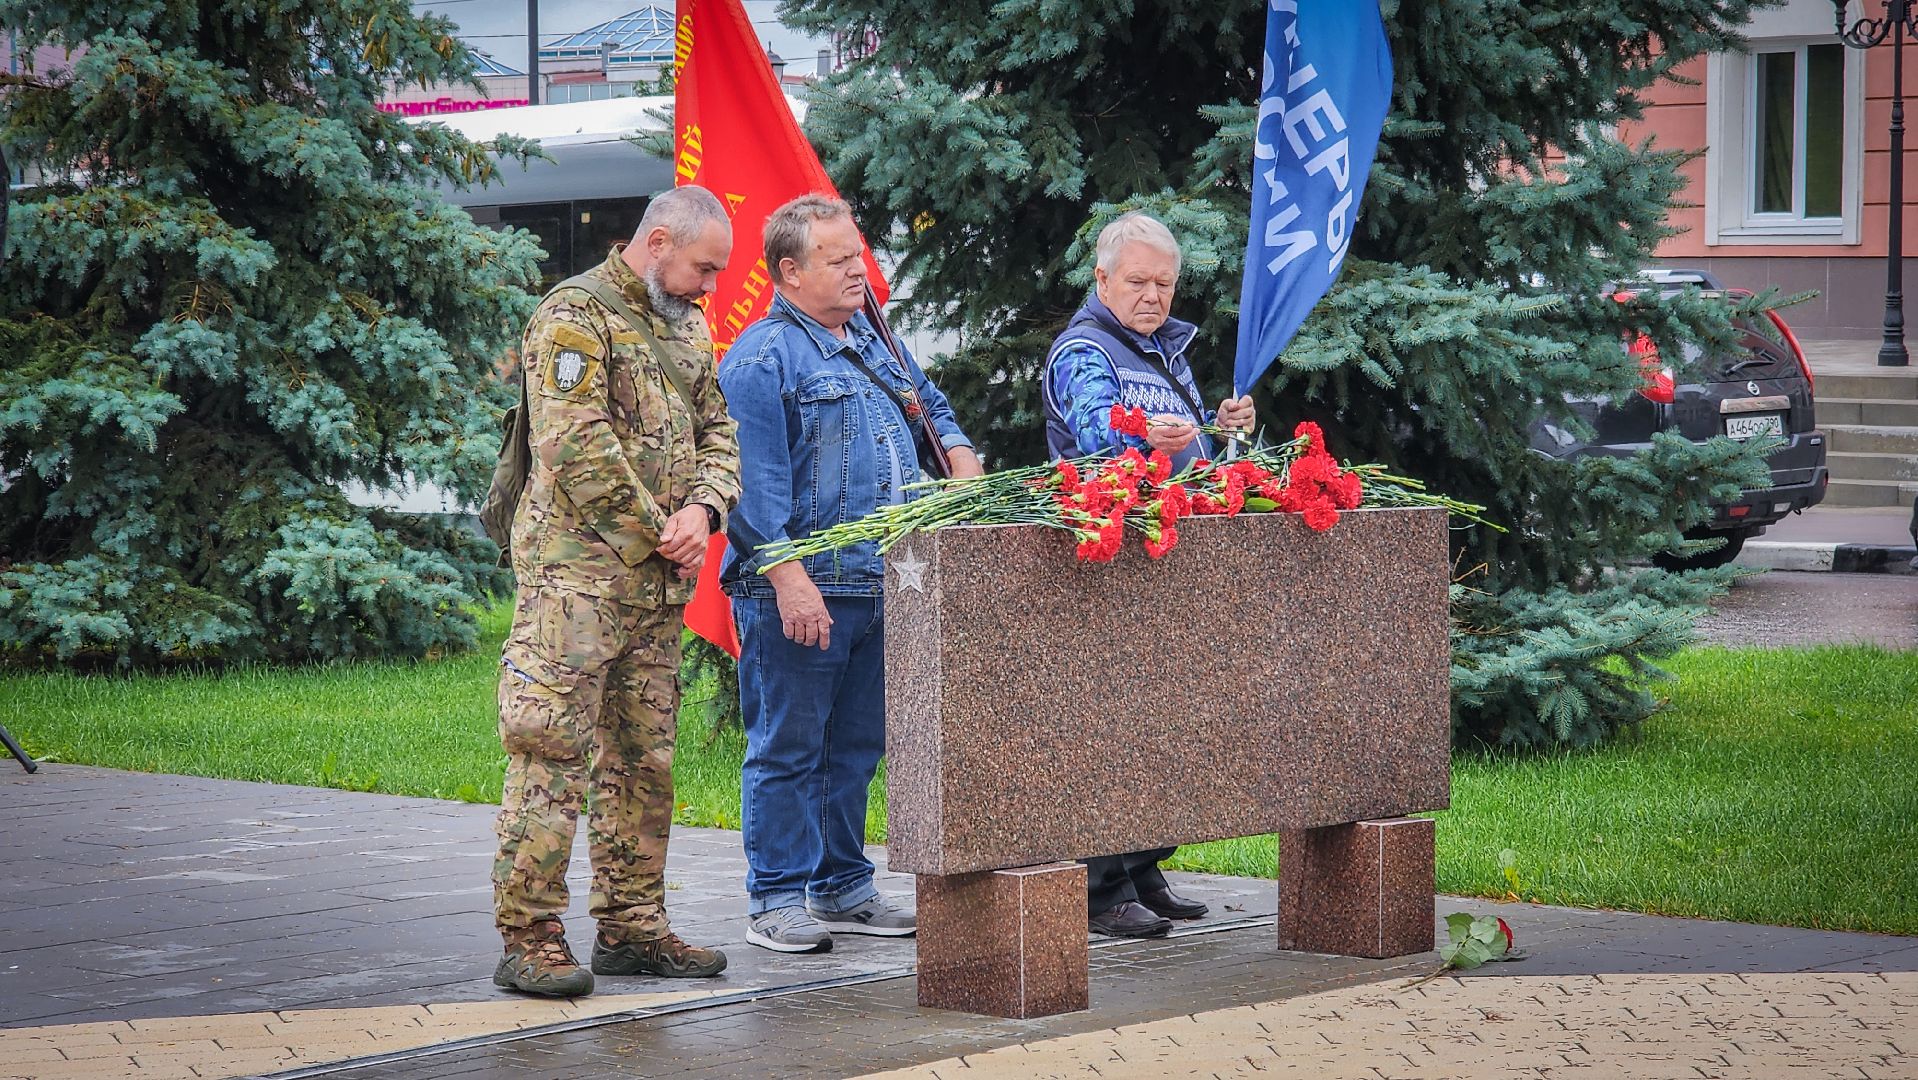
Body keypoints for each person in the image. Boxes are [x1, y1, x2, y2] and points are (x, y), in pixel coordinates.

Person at [491, 186, 741, 997]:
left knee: (643, 763)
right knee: (550, 754)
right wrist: (657, 528)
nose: (710, 286)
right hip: (576, 588)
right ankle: (529, 937)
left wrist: (704, 510)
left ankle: (632, 930)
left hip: (655, 590)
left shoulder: (688, 325)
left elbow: (719, 431)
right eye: (704, 267)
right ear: (659, 241)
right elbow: (574, 442)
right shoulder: (574, 317)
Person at [718, 194, 985, 953]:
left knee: (856, 746)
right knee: (788, 747)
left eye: (858, 257)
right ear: (790, 272)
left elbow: (931, 407)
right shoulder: (763, 358)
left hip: (882, 581)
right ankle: (775, 899)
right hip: (803, 588)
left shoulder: (872, 337)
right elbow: (749, 487)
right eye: (838, 262)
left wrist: (961, 460)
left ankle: (841, 886)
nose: (857, 273)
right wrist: (789, 580)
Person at [1041, 211, 1255, 938]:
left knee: (1162, 722)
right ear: (1102, 279)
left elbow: (1192, 449)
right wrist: (1142, 430)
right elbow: (1093, 431)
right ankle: (1099, 888)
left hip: (1164, 555)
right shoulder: (1083, 347)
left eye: (1165, 283)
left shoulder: (1167, 350)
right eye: (1138, 282)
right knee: (1113, 725)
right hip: (1110, 561)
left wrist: (1221, 427)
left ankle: (1142, 864)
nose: (1154, 296)